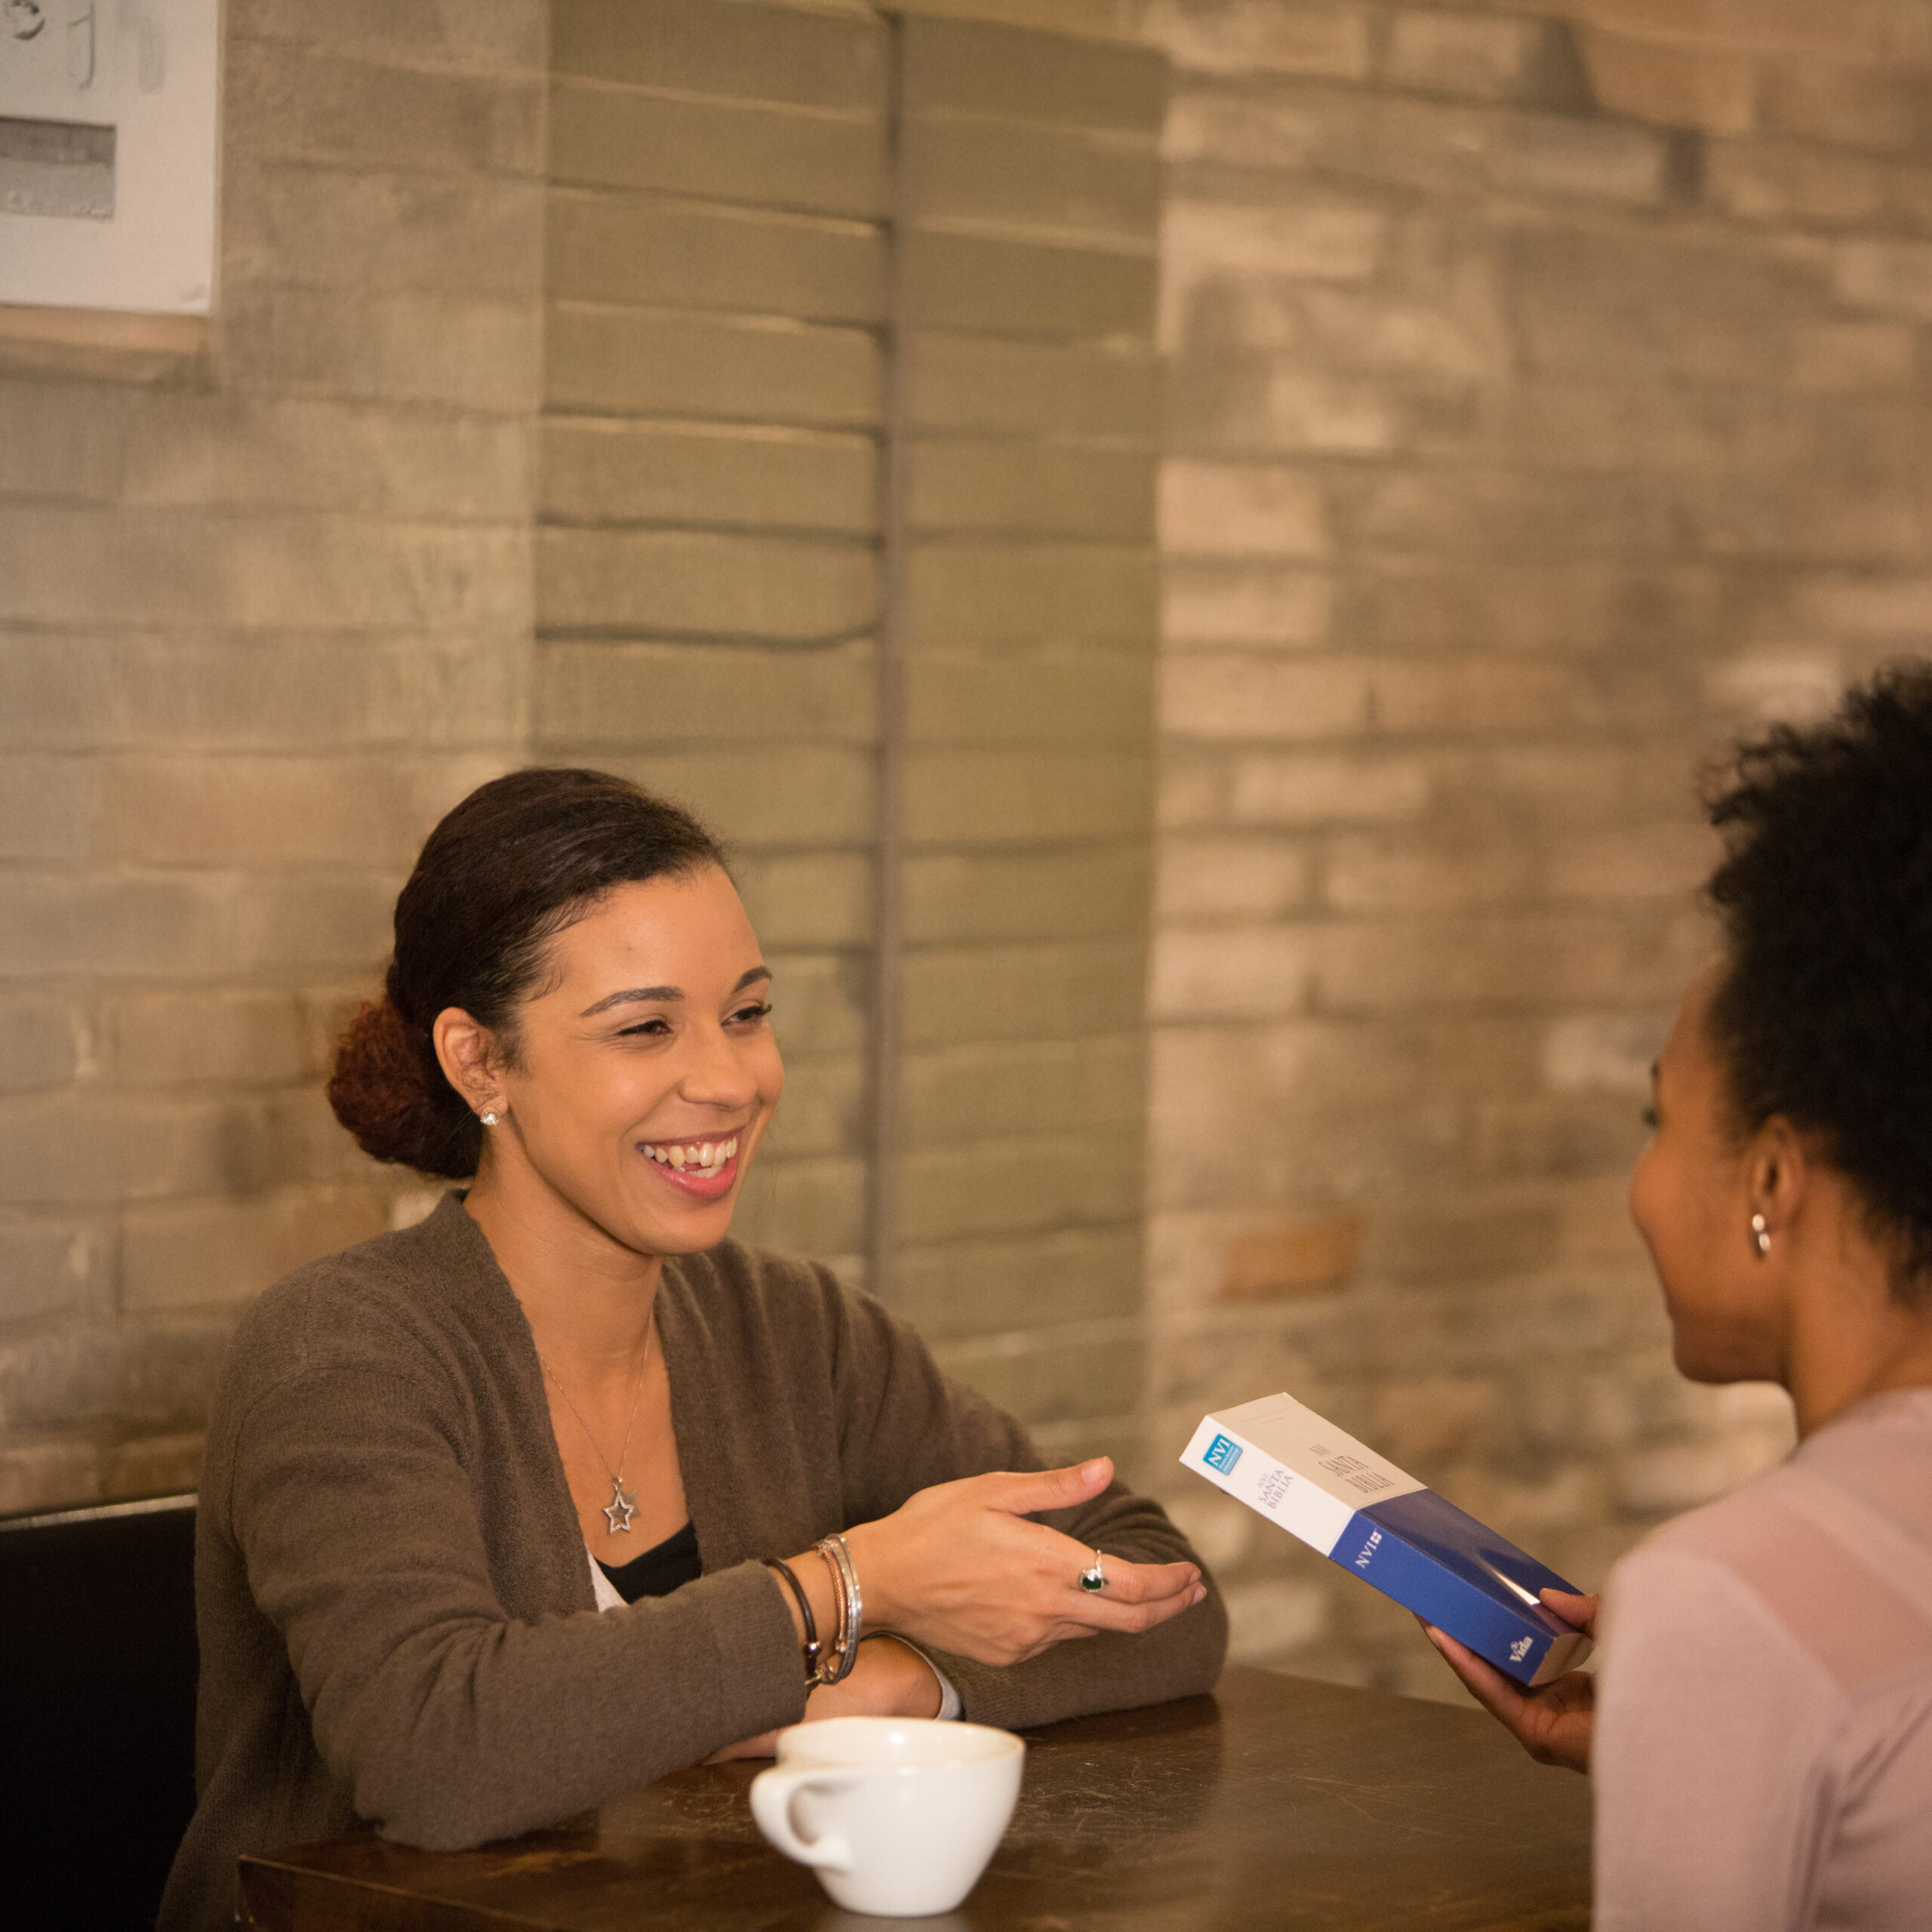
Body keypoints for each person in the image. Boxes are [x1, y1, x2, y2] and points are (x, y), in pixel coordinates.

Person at [159, 768, 1226, 1932]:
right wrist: (848, 1590)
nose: (728, 1080)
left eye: (749, 1013)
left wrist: (887, 1683)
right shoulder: (342, 1351)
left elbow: (1159, 1594)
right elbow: (437, 1752)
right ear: (480, 1063)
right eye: (645, 1028)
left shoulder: (795, 1332)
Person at [1425, 670, 1932, 1929]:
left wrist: (1716, 1689)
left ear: (1769, 1178)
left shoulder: (1725, 1598)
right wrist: (1712, 1752)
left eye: (1660, 1119)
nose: (1642, 1183)